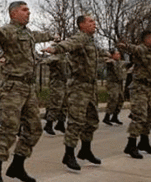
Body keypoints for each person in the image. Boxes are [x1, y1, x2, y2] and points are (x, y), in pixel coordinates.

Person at [0, 1, 54, 182]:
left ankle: (17, 165)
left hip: (28, 88)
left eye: (29, 10)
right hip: (13, 87)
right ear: (13, 13)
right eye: (24, 10)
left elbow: (39, 36)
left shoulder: (28, 33)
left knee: (34, 129)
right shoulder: (9, 31)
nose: (28, 13)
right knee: (9, 129)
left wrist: (52, 36)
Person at [43, 15, 105, 171]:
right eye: (90, 21)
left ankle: (85, 150)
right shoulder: (80, 38)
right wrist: (56, 49)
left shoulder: (90, 41)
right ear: (81, 25)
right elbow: (68, 44)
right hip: (78, 86)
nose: (94, 24)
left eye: (94, 21)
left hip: (90, 87)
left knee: (92, 120)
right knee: (76, 121)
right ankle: (69, 154)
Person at [118, 30, 151, 159]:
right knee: (139, 116)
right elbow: (132, 48)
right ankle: (131, 145)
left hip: (148, 88)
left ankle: (144, 142)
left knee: (150, 116)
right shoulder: (141, 49)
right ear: (146, 40)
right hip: (139, 88)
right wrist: (124, 45)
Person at [43, 52, 70, 135]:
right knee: (55, 103)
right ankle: (49, 124)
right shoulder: (55, 57)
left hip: (65, 83)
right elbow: (45, 61)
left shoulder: (66, 57)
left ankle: (61, 123)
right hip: (57, 83)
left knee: (65, 104)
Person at [103, 49, 126, 126]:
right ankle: (107, 117)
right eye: (117, 54)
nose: (119, 55)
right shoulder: (110, 62)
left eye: (119, 54)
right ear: (112, 55)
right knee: (113, 99)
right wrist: (108, 57)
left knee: (121, 99)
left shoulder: (120, 62)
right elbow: (105, 59)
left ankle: (115, 116)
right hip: (112, 83)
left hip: (119, 83)